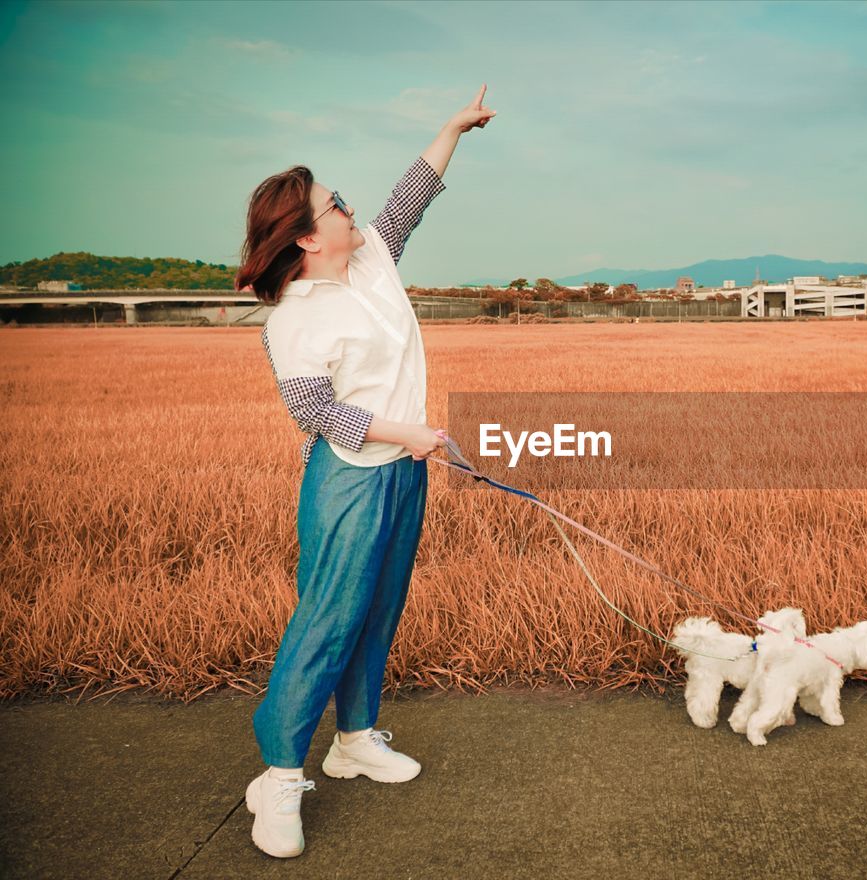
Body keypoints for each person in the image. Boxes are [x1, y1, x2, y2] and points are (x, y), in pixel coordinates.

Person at [233, 85, 495, 859]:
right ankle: (280, 776)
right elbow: (320, 415)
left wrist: (452, 129)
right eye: (333, 203)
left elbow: (410, 198)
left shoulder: (373, 255)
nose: (348, 208)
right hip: (349, 480)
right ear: (307, 239)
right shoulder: (294, 321)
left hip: (403, 472)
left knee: (379, 610)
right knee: (327, 621)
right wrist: (410, 431)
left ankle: (353, 739)